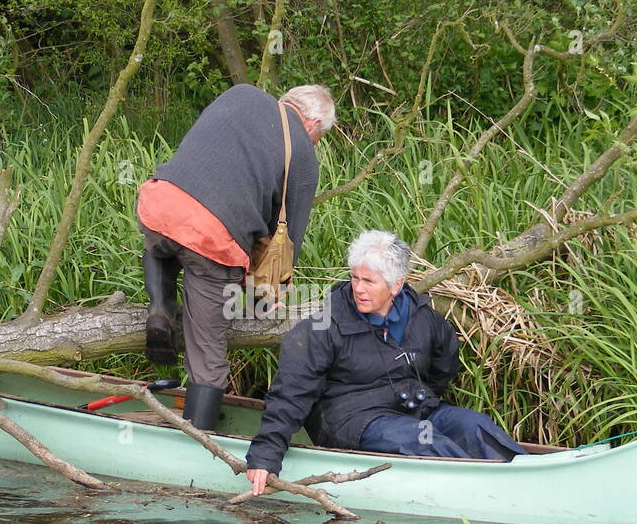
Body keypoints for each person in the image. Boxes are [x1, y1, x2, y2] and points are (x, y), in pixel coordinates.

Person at [244, 230, 528, 495]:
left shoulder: (422, 318)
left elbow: (444, 363)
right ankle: (484, 493)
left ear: (396, 286)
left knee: (473, 425)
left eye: (369, 281)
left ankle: (528, 480)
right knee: (419, 439)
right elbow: (290, 394)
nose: (359, 289)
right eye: (355, 278)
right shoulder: (321, 327)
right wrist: (265, 454)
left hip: (414, 410)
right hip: (351, 419)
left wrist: (424, 397)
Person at [137, 83, 334, 429]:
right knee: (208, 350)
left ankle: (161, 310)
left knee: (163, 241)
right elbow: (287, 241)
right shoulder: (302, 153)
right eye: (320, 137)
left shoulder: (239, 94)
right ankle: (200, 437)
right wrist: (266, 296)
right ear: (313, 124)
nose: (316, 143)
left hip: (160, 202)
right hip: (213, 241)